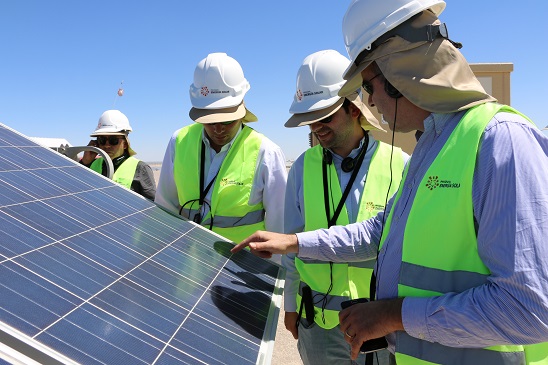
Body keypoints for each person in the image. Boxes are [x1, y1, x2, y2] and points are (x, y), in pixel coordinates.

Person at [232, 1, 548, 364]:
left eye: (369, 86)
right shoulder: (433, 145)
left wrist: (391, 315)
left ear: (400, 76)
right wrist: (294, 242)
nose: (370, 102)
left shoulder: (501, 141)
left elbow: (531, 308)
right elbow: (378, 232)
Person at [282, 49, 408, 365]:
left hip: (379, 325)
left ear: (353, 108)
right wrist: (289, 305)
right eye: (309, 121)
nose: (316, 128)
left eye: (325, 117)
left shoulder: (398, 164)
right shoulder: (301, 168)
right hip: (318, 328)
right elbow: (292, 244)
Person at [155, 52, 287, 244]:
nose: (218, 129)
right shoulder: (179, 141)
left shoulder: (266, 152)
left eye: (226, 120)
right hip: (187, 263)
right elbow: (165, 207)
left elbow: (279, 227)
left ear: (242, 108)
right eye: (210, 121)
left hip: (242, 268)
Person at [81, 109, 156, 200]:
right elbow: (72, 190)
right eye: (102, 140)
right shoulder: (91, 165)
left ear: (125, 144)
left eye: (113, 140)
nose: (107, 145)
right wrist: (85, 163)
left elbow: (152, 205)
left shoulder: (141, 168)